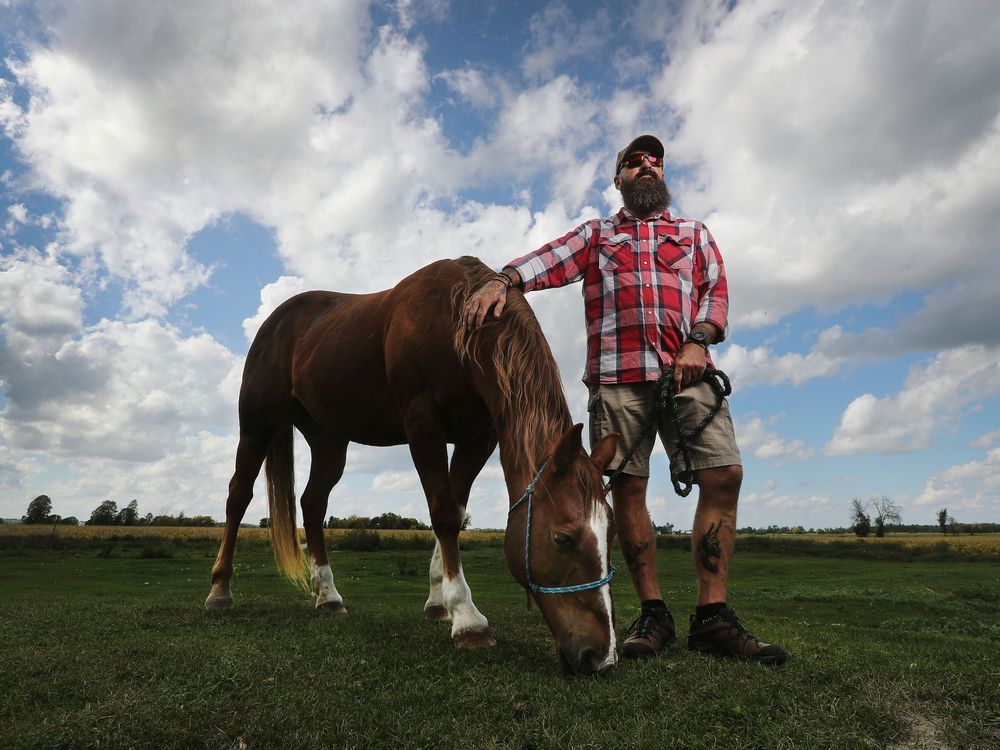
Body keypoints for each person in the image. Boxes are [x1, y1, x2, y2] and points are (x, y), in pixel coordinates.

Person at [464, 135, 787, 665]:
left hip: (688, 373)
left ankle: (713, 617)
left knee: (724, 473)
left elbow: (716, 294)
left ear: (662, 176)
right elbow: (551, 259)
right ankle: (653, 614)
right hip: (616, 379)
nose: (645, 167)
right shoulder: (598, 235)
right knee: (629, 488)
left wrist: (697, 341)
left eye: (653, 162)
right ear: (618, 180)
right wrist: (505, 279)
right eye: (633, 163)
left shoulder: (694, 234)